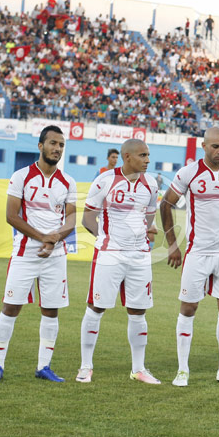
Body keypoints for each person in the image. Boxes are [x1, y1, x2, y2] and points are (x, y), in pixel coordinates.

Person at [0, 126, 77, 383]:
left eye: (61, 144)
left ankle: (44, 366)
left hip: (56, 256)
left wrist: (54, 239)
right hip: (24, 254)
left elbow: (70, 219)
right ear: (40, 146)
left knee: (51, 310)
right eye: (53, 143)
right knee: (11, 307)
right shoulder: (21, 176)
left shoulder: (67, 181)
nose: (57, 148)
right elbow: (11, 216)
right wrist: (42, 238)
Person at [161, 127, 219, 387]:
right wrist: (172, 245)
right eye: (215, 146)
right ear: (204, 146)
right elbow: (165, 204)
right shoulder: (188, 173)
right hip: (197, 253)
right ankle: (182, 370)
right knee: (189, 307)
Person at [76, 139, 160, 385]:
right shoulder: (104, 181)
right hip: (110, 254)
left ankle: (138, 369)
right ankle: (85, 366)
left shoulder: (151, 184)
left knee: (138, 310)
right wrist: (106, 239)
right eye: (142, 155)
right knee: (97, 307)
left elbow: (148, 220)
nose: (147, 160)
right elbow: (87, 218)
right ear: (127, 156)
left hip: (139, 257)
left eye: (148, 155)